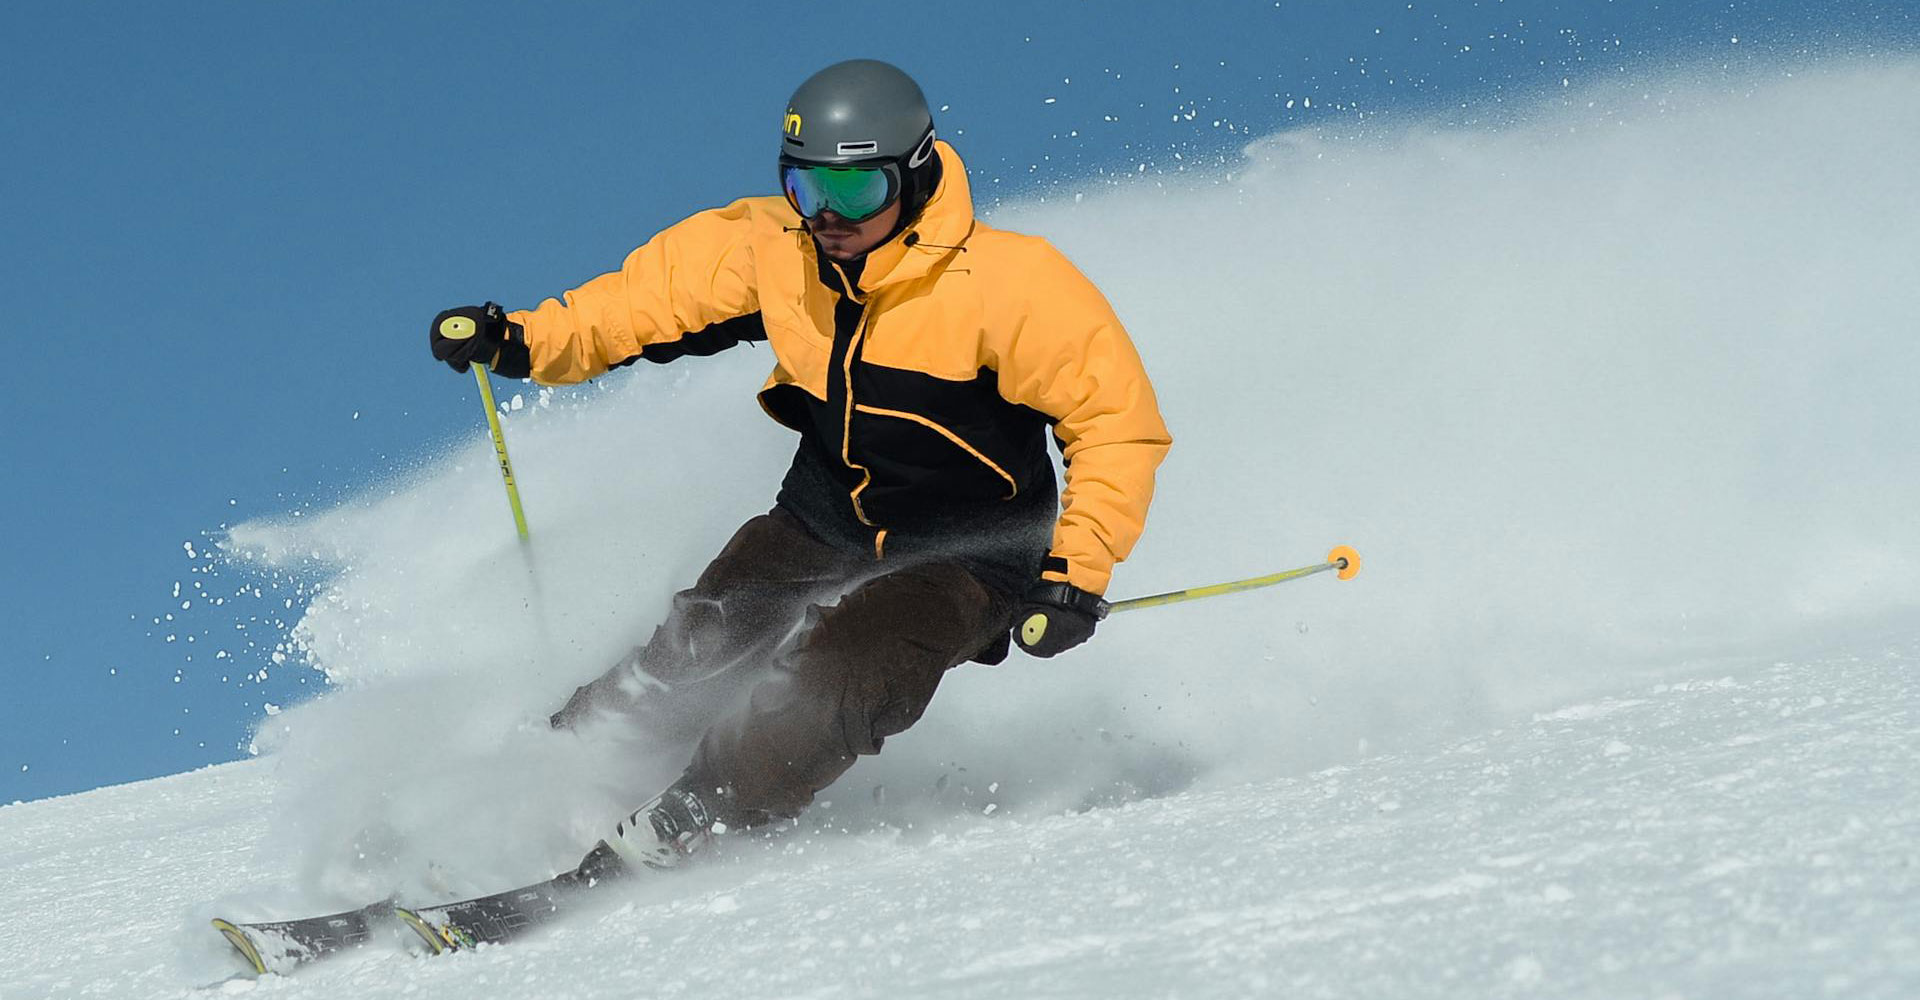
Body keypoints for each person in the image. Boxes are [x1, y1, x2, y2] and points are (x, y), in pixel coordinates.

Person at [429, 59, 1170, 874]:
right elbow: (645, 302)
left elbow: (1116, 424)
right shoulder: (780, 250)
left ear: (914, 175)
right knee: (698, 645)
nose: (826, 217)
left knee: (835, 674)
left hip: (973, 551)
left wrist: (1075, 575)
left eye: (852, 194)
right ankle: (545, 780)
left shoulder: (1012, 285)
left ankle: (696, 814)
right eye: (805, 189)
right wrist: (527, 340)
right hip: (826, 516)